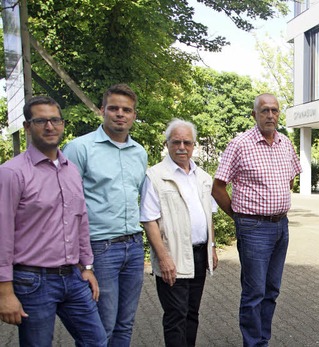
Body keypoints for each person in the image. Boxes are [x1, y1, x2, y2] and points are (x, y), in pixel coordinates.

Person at [0, 96, 107, 346]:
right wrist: (4, 291)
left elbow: (80, 220)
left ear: (62, 124)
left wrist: (87, 267)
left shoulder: (71, 170)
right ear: (28, 127)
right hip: (32, 281)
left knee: (97, 342)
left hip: (72, 277)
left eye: (55, 120)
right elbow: (2, 234)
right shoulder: (12, 173)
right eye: (41, 121)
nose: (49, 126)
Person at [212, 93, 302, 347]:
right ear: (254, 115)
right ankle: (253, 343)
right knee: (254, 293)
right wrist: (240, 218)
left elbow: (290, 179)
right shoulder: (240, 144)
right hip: (253, 228)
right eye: (264, 110)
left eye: (274, 110)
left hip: (281, 226)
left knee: (272, 290)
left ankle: (263, 339)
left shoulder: (286, 143)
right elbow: (218, 187)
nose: (270, 115)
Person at [63, 84, 148, 345]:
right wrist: (80, 258)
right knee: (101, 326)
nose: (120, 114)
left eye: (127, 110)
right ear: (102, 110)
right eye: (114, 108)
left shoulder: (139, 153)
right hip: (100, 249)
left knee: (125, 324)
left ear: (134, 115)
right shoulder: (80, 149)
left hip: (134, 248)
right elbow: (66, 206)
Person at [140, 119, 218, 347]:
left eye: (187, 142)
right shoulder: (155, 176)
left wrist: (212, 248)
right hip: (173, 256)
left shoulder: (202, 177)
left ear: (193, 145)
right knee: (176, 316)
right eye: (176, 142)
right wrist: (163, 258)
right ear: (167, 144)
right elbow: (149, 220)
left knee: (192, 313)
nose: (182, 147)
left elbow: (209, 215)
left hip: (200, 255)